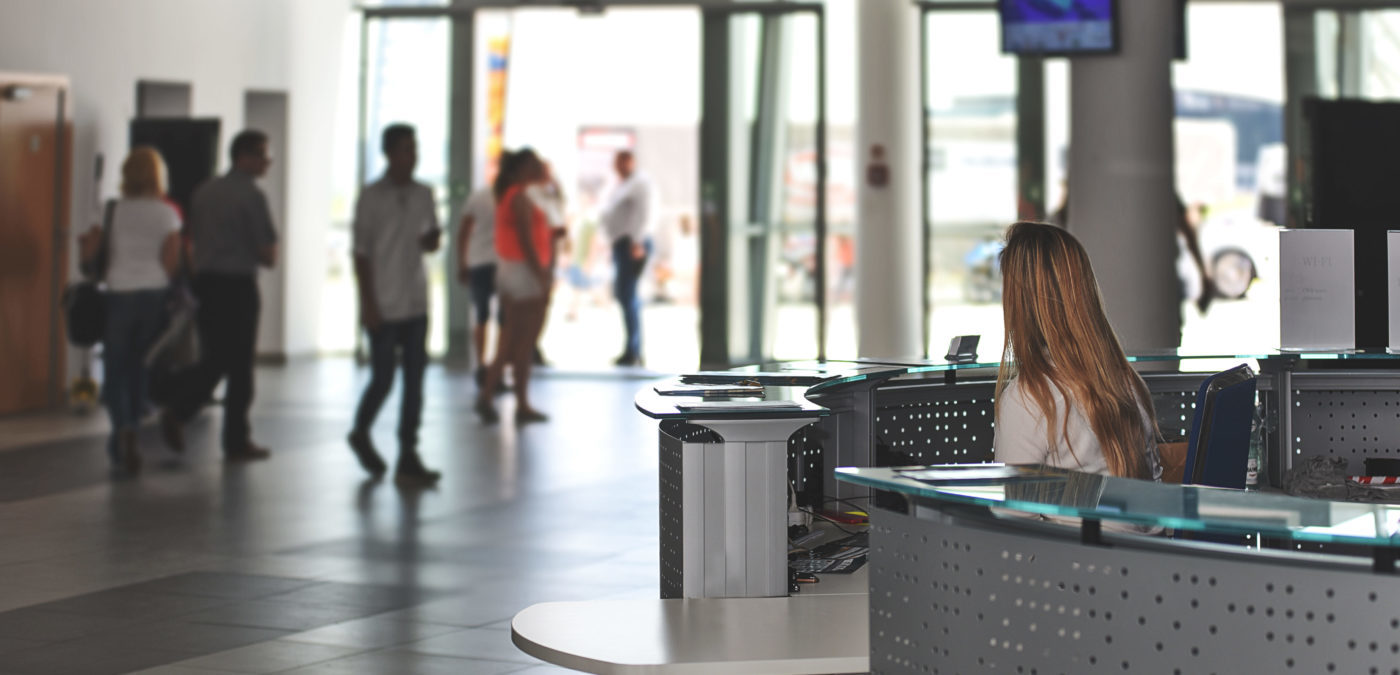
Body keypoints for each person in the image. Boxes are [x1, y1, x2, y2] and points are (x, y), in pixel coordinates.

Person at [992, 221, 1163, 481]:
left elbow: (1015, 515)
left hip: (1063, 524)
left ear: (1020, 303)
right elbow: (1155, 495)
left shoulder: (1028, 399)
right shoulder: (1128, 382)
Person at [160, 130, 277, 461]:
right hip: (238, 286)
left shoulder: (203, 191)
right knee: (238, 366)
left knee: (215, 356)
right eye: (263, 155)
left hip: (206, 284)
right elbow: (268, 253)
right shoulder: (253, 196)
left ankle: (181, 408)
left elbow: (192, 240)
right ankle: (232, 438)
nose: (268, 163)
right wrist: (262, 253)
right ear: (245, 156)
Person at [346, 124, 443, 485]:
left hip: (416, 300)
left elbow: (431, 241)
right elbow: (360, 254)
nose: (411, 156)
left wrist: (433, 239)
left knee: (415, 381)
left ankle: (408, 454)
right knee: (384, 378)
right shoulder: (371, 197)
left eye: (414, 149)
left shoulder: (424, 193)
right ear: (388, 153)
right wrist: (368, 304)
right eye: (404, 149)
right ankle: (361, 430)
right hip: (384, 302)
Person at [83, 147, 182, 472]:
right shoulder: (167, 214)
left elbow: (90, 252)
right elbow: (171, 262)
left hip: (118, 292)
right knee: (141, 365)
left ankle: (122, 429)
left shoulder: (111, 210)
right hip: (153, 294)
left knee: (115, 367)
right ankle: (134, 431)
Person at [476, 149, 551, 425]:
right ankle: (516, 402)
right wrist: (540, 275)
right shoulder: (518, 198)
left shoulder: (511, 195)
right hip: (522, 274)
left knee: (511, 341)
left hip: (513, 272)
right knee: (521, 343)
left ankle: (497, 396)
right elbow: (527, 242)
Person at [598, 150, 655, 367]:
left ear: (631, 162)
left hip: (632, 245)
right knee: (624, 296)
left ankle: (634, 351)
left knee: (628, 296)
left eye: (622, 162)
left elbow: (647, 213)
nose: (619, 167)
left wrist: (638, 242)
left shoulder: (640, 183)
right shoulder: (623, 184)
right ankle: (631, 349)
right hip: (623, 244)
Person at [456, 182, 499, 386]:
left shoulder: (505, 197)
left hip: (493, 263)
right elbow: (464, 231)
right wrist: (462, 262)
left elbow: (463, 231)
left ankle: (492, 367)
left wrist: (462, 262)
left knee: (495, 319)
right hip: (484, 263)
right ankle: (484, 366)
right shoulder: (482, 197)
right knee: (484, 316)